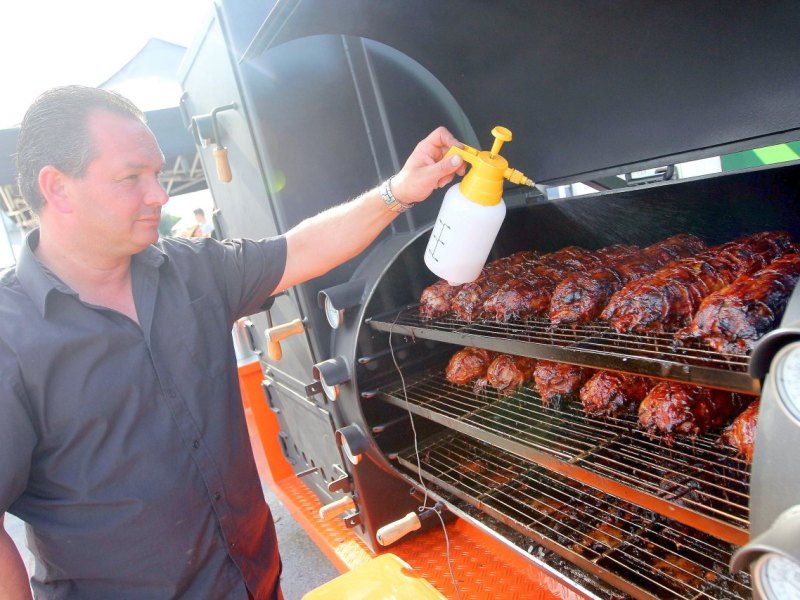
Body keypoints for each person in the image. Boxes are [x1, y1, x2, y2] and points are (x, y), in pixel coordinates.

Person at [0, 85, 465, 599]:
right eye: (131, 178)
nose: (159, 194)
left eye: (156, 174)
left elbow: (301, 247)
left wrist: (399, 190)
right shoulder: (10, 334)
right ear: (57, 188)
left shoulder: (190, 269)